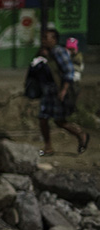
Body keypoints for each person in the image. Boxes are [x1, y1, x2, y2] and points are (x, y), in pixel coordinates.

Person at [37, 28, 89, 156]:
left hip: (58, 92)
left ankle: (81, 135)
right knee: (43, 118)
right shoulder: (46, 52)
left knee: (59, 121)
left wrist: (64, 90)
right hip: (48, 92)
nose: (43, 40)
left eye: (46, 38)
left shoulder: (59, 51)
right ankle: (48, 147)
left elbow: (69, 71)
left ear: (54, 39)